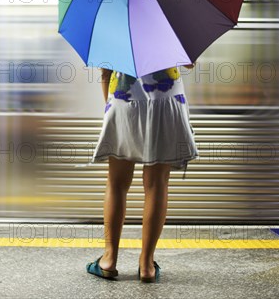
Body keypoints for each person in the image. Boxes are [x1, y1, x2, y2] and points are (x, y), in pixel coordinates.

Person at [85, 64, 199, 283]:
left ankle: (108, 260)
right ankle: (146, 265)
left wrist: (112, 106)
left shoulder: (114, 29)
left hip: (124, 98)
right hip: (166, 101)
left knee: (117, 183)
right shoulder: (171, 28)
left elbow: (105, 73)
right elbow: (189, 62)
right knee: (157, 184)